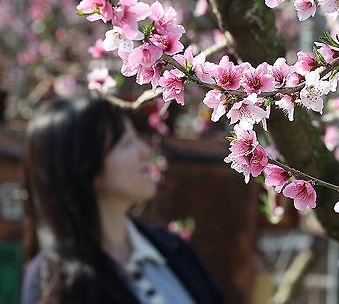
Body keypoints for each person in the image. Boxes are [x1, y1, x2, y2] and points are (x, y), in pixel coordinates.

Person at [21, 95, 225, 304]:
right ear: (86, 167)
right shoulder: (56, 280)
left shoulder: (172, 248)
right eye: (127, 144)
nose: (145, 152)